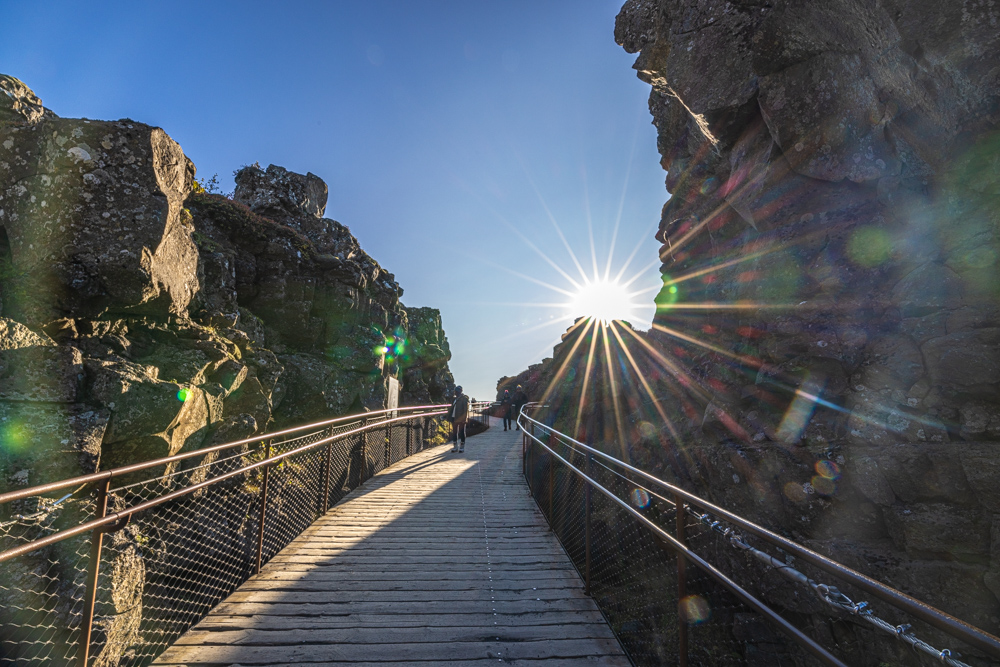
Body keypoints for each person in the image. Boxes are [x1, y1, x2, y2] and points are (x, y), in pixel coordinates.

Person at [449, 385, 470, 452]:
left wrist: (464, 419)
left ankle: (462, 447)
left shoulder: (464, 399)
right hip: (454, 418)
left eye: (456, 391)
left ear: (459, 391)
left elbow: (465, 409)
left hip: (461, 419)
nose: (455, 392)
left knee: (461, 433)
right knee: (454, 433)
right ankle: (455, 447)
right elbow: (451, 409)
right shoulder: (454, 399)